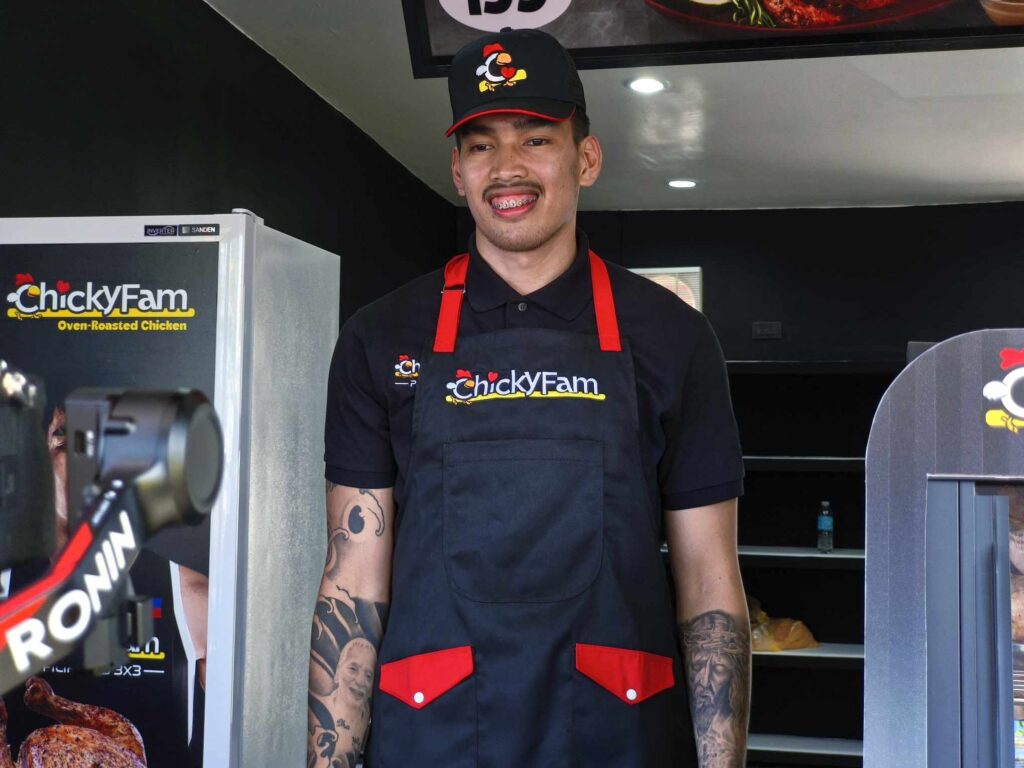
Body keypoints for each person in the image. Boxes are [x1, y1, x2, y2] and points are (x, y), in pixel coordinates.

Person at [307, 27, 749, 768]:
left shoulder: (673, 337)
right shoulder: (380, 337)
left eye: (536, 139)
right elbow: (352, 579)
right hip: (435, 736)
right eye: (481, 145)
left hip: (619, 736)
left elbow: (709, 579)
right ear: (457, 170)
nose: (506, 167)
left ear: (587, 158)